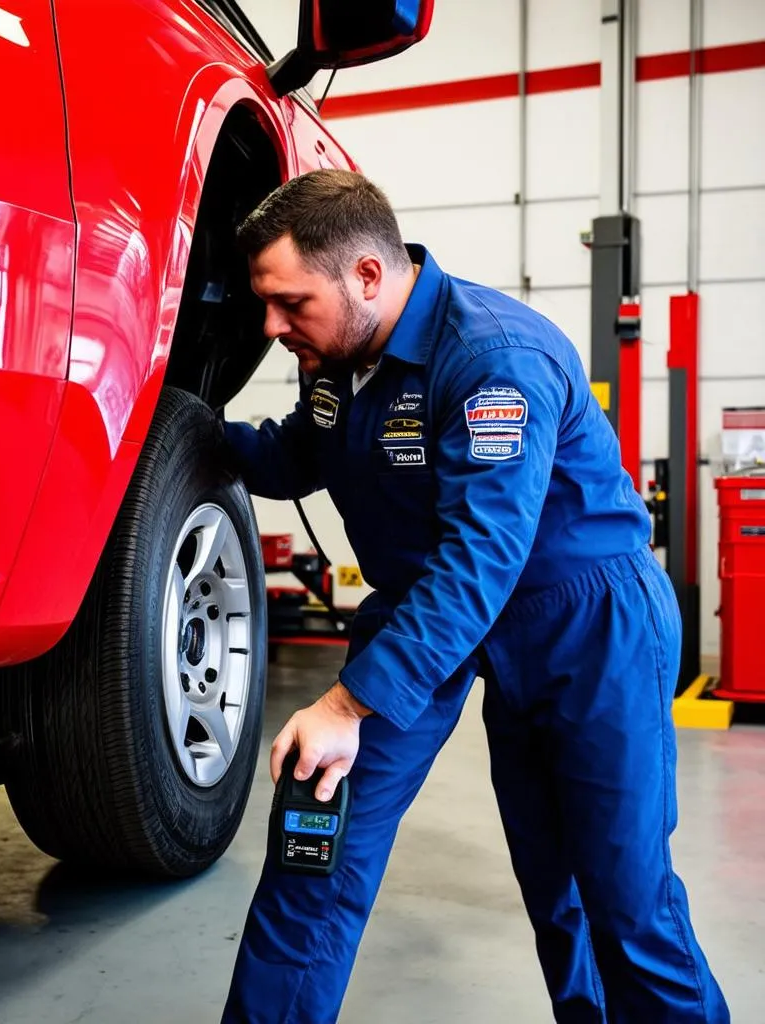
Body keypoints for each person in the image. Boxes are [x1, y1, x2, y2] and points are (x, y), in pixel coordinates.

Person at [218, 170, 728, 1023]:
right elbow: (287, 458)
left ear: (367, 277)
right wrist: (176, 422)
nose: (271, 328)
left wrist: (346, 703)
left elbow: (482, 559)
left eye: (290, 304)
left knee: (617, 898)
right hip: (432, 609)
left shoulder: (494, 359)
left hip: (584, 621)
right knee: (318, 842)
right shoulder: (343, 359)